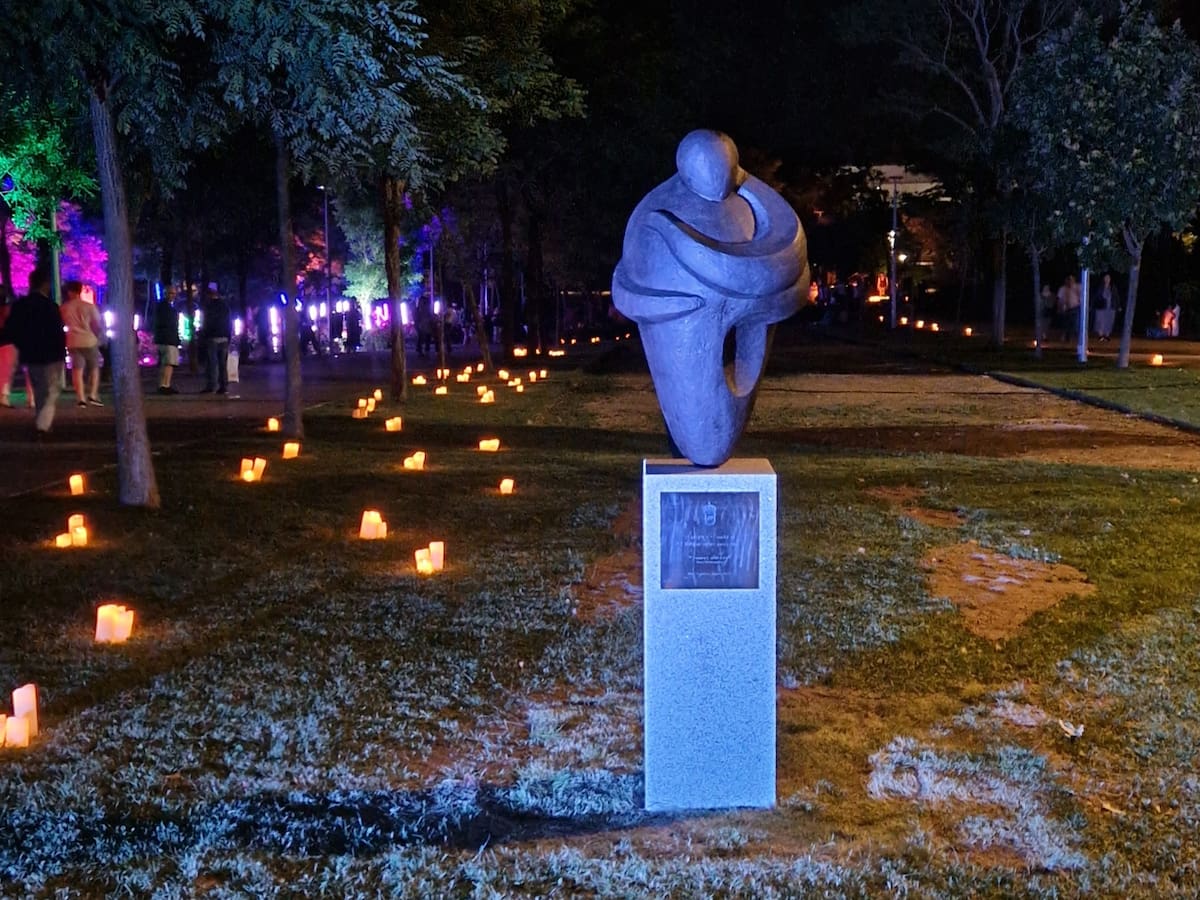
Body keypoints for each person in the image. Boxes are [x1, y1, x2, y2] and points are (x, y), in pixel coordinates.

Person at [2, 268, 66, 437]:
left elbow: (11, 330)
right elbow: (57, 332)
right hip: (51, 354)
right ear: (45, 285)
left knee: (39, 389)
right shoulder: (50, 307)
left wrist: (21, 345)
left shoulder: (21, 306)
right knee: (51, 389)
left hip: (30, 354)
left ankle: (41, 421)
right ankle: (42, 425)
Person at [60, 280, 104, 407]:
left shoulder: (65, 308)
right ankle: (93, 394)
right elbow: (96, 324)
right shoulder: (89, 307)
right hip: (89, 340)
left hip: (73, 341)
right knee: (94, 368)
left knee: (77, 370)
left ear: (69, 292)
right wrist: (98, 337)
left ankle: (81, 398)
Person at [201, 290, 232, 394]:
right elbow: (229, 322)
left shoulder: (208, 306)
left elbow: (206, 322)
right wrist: (228, 336)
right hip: (224, 337)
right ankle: (223, 386)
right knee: (223, 363)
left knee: (212, 363)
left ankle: (211, 385)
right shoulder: (225, 306)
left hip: (212, 337)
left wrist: (204, 335)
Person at [152, 287, 181, 394]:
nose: (173, 296)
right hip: (168, 339)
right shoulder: (166, 308)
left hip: (165, 338)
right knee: (168, 363)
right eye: (171, 293)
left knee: (166, 363)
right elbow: (170, 324)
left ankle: (164, 384)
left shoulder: (162, 306)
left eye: (174, 293)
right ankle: (165, 385)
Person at [1093, 273, 1118, 341]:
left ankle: (1107, 335)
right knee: (1100, 321)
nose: (1107, 279)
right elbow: (1096, 296)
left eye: (1108, 278)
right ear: (1103, 279)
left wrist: (1118, 305)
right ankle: (1100, 335)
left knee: (1109, 321)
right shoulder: (1100, 287)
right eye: (1106, 278)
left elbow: (1116, 297)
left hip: (1110, 307)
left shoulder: (1113, 287)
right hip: (1101, 307)